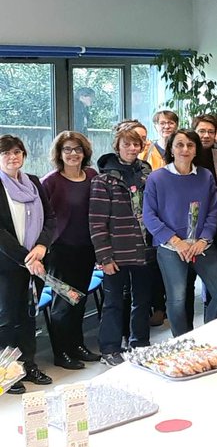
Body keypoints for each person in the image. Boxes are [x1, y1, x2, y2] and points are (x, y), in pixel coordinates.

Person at [142, 129, 217, 337]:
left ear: (196, 150)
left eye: (190, 145)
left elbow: (213, 210)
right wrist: (176, 242)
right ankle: (183, 344)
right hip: (171, 248)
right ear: (171, 149)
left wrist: (204, 239)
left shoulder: (205, 176)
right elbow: (149, 215)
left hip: (201, 246)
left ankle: (208, 338)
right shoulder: (157, 178)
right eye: (179, 145)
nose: (185, 149)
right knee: (177, 299)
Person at [90, 126, 154, 366]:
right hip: (116, 252)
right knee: (114, 301)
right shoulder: (103, 180)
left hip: (144, 249)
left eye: (136, 144)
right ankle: (110, 348)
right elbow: (96, 222)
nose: (132, 149)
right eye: (126, 144)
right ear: (117, 146)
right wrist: (104, 257)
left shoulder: (148, 174)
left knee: (142, 300)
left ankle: (139, 344)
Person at [0, 135, 55, 392]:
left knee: (29, 316)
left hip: (36, 260)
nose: (13, 157)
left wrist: (42, 246)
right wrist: (26, 258)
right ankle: (8, 372)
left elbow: (50, 218)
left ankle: (28, 364)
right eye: (7, 153)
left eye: (17, 152)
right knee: (8, 318)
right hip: (8, 265)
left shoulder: (33, 181)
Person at [41, 131, 99, 369]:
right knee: (63, 302)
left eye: (77, 149)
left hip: (86, 249)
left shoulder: (93, 176)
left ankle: (77, 345)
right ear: (59, 153)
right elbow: (42, 218)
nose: (73, 154)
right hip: (60, 252)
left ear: (84, 152)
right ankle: (61, 352)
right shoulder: (51, 181)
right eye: (67, 149)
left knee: (80, 300)